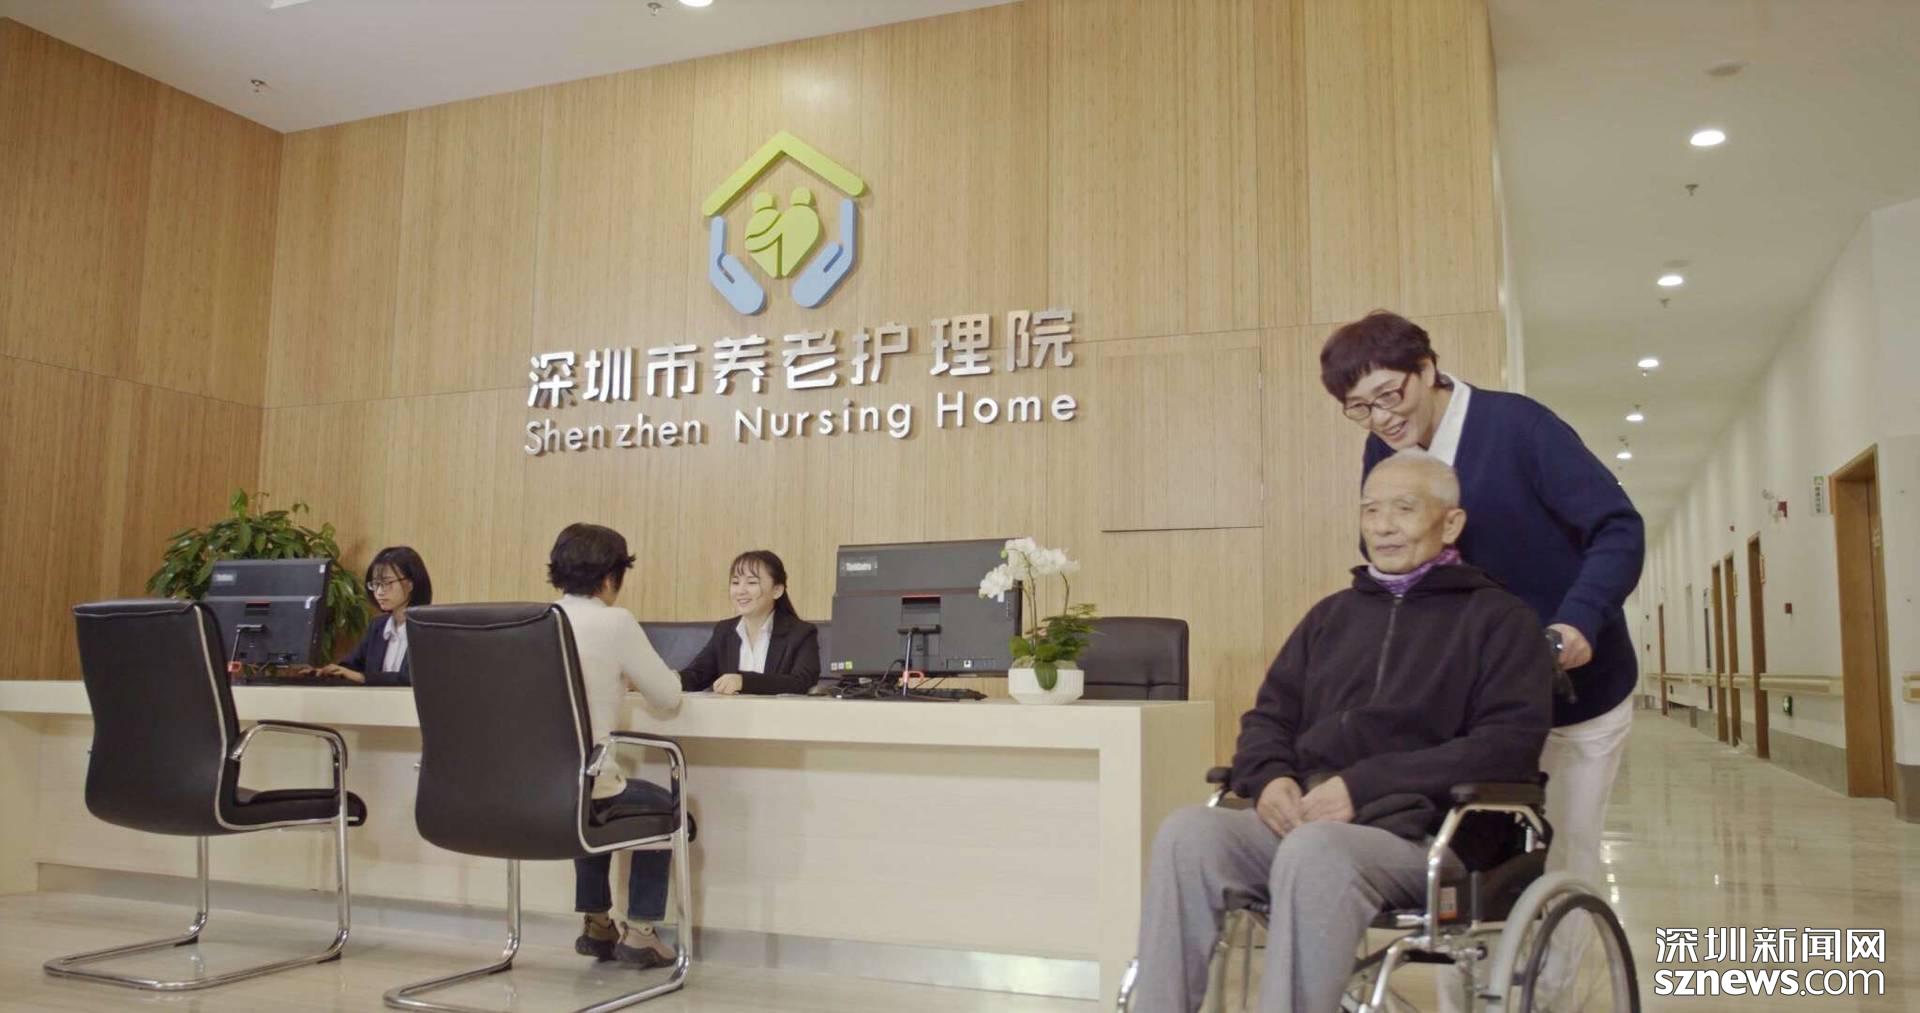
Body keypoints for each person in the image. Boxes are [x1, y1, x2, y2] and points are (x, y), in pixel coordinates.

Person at [1132, 451, 1554, 1013]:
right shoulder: (1331, 617)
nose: (1383, 526)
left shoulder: (1499, 620)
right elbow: (1269, 718)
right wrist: (1270, 777)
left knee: (1316, 851)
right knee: (1188, 834)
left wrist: (1362, 786)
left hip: (1428, 836)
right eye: (1370, 510)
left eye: (1404, 509)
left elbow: (1507, 746)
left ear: (1451, 523)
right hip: (1309, 821)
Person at [1321, 311, 1644, 895]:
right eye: (1360, 408)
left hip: (1573, 684)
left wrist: (1577, 620)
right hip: (1477, 701)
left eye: (1390, 395)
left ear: (1427, 369)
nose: (1382, 418)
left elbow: (1617, 528)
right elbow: (1392, 553)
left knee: (1564, 851)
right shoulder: (1384, 450)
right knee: (1473, 857)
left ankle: (1564, 954)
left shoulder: (1518, 426)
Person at [548, 523, 685, 968]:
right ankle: (641, 933)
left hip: (528, 793)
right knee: (662, 805)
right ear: (611, 577)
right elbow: (667, 697)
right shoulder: (615, 622)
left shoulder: (535, 620)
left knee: (583, 793)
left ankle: (597, 922)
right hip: (587, 788)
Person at [680, 550, 821, 695]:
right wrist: (673, 679)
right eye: (735, 582)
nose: (740, 591)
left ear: (777, 590)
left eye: (752, 582)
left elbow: (802, 682)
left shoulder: (801, 633)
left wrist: (744, 682)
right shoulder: (724, 630)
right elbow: (697, 675)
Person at [300, 545, 430, 686]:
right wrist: (326, 673)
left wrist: (363, 677)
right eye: (376, 584)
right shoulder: (378, 626)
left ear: (410, 584)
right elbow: (352, 666)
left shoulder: (429, 628)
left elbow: (413, 678)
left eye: (387, 583)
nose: (379, 592)